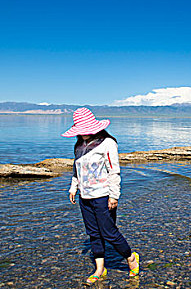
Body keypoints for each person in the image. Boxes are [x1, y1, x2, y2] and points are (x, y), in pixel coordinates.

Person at [62, 107, 139, 284]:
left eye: (85, 130)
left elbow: (114, 171)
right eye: (80, 131)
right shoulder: (79, 146)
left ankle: (131, 258)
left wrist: (114, 196)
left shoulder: (107, 143)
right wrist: (73, 187)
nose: (82, 134)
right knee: (94, 234)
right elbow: (77, 169)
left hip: (104, 196)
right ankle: (99, 269)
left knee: (109, 233)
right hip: (85, 196)